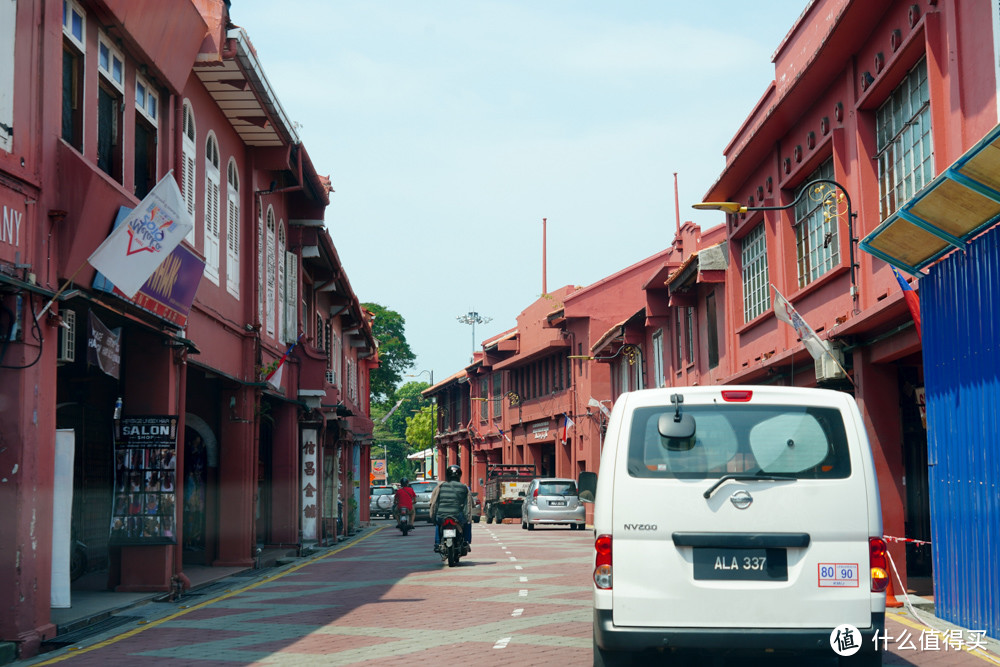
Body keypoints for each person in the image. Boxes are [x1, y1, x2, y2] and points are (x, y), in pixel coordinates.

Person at [429, 464, 472, 554]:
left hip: (441, 515)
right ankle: (466, 542)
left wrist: (433, 515)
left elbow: (432, 502)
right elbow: (469, 502)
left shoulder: (440, 486)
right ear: (460, 475)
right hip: (457, 516)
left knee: (438, 523)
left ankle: (437, 543)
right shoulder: (464, 487)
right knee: (468, 523)